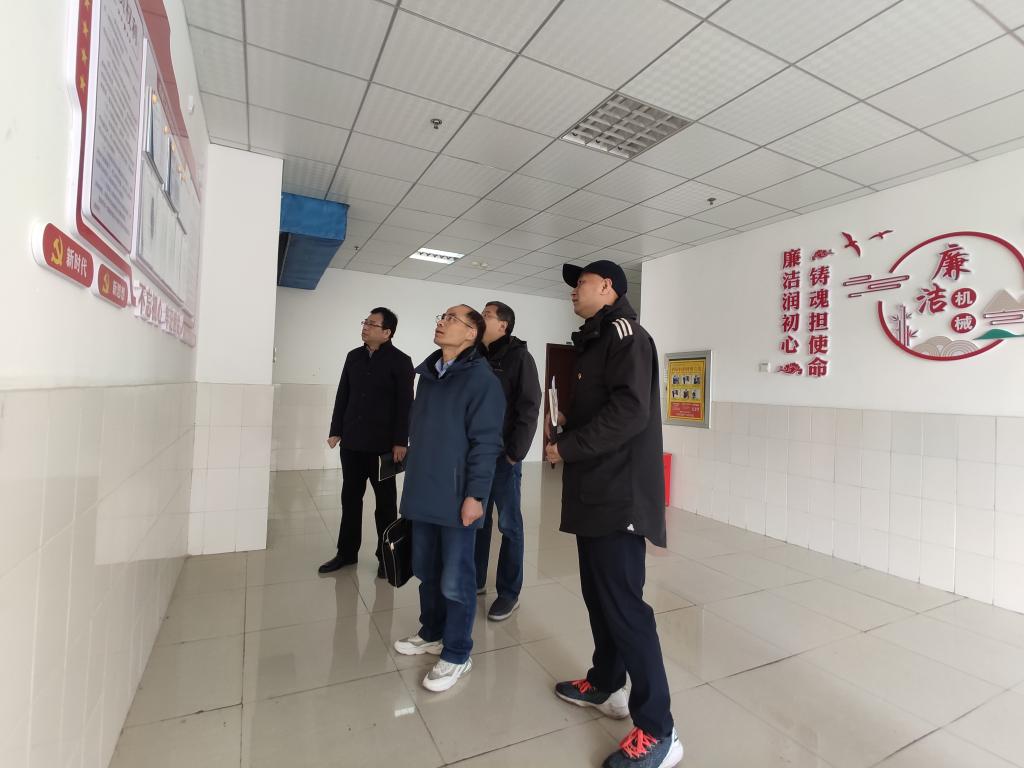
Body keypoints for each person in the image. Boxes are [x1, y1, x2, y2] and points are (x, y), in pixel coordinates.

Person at [545, 261, 682, 768]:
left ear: (607, 287)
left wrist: (567, 447)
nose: (573, 291)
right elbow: (604, 410)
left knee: (626, 609)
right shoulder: (596, 340)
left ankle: (659, 730)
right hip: (594, 493)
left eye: (580, 283)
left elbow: (630, 412)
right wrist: (568, 422)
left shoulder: (626, 335)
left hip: (618, 495)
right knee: (599, 597)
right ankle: (606, 683)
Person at [393, 305, 505, 692]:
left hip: (458, 497)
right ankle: (432, 633)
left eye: (452, 319)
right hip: (424, 491)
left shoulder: (482, 381)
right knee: (426, 570)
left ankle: (457, 653)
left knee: (456, 579)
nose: (441, 322)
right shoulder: (428, 375)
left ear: (472, 333)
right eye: (441, 316)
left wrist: (476, 495)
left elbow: (486, 444)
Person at [320, 308, 414, 578]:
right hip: (352, 443)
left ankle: (386, 559)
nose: (365, 327)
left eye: (372, 324)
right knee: (350, 499)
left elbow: (405, 405)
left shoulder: (401, 361)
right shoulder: (354, 356)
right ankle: (346, 553)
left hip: (384, 447)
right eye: (365, 322)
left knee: (385, 505)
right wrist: (336, 430)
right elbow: (343, 394)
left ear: (387, 332)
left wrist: (401, 441)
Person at [474, 301, 541, 621]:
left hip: (504, 458)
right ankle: (475, 579)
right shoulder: (475, 355)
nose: (480, 317)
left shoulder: (519, 358)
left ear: (503, 325)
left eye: (487, 315)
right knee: (477, 520)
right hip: (476, 456)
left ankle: (509, 593)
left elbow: (529, 407)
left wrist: (516, 453)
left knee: (509, 524)